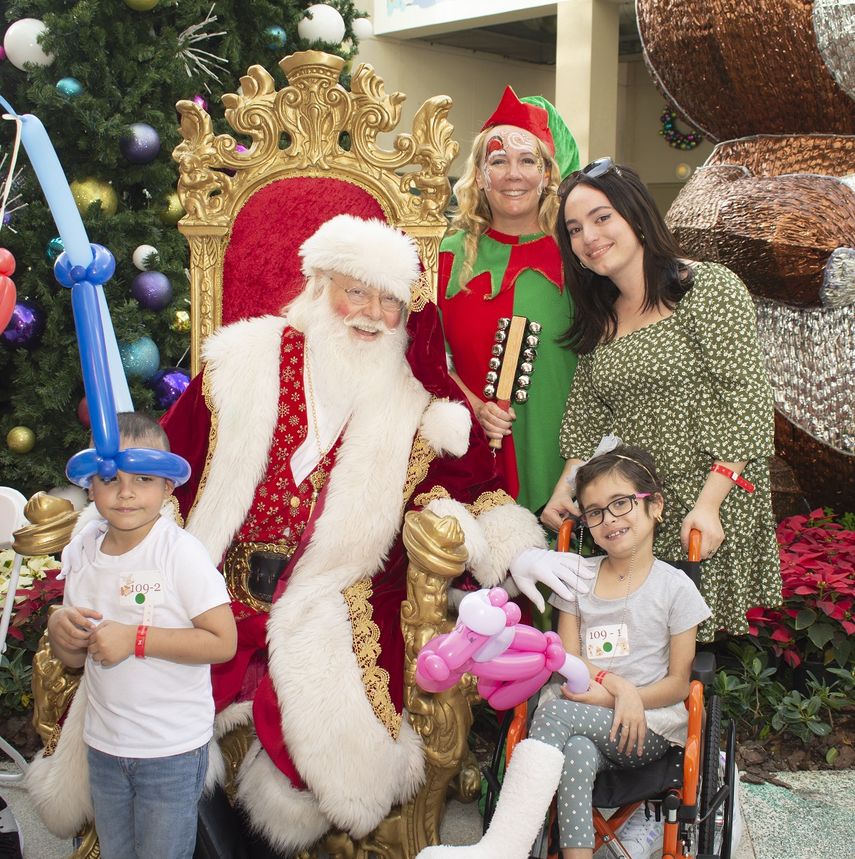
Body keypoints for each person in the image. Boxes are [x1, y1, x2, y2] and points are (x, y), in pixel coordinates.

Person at [155, 214, 593, 854]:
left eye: (389, 300)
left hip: (323, 596)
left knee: (309, 733)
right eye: (355, 290)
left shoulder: (412, 404)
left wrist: (517, 550)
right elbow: (169, 465)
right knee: (158, 711)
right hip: (212, 591)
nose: (370, 312)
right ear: (318, 284)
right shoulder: (238, 366)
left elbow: (464, 488)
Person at [417, 445, 711, 859]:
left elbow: (680, 683)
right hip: (583, 706)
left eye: (621, 503)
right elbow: (568, 659)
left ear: (655, 506)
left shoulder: (676, 588)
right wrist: (618, 686)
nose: (609, 519)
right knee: (575, 751)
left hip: (645, 725)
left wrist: (629, 698)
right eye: (594, 511)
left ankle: (505, 845)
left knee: (551, 711)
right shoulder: (575, 577)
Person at [541, 158, 780, 641]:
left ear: (638, 218)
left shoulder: (706, 288)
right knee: (634, 646)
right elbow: (586, 420)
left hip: (705, 498)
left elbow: (746, 400)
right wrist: (565, 489)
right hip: (633, 511)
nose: (589, 236)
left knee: (691, 654)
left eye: (602, 217)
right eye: (574, 229)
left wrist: (710, 503)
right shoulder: (600, 316)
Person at [43, 412, 237, 859]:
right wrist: (60, 631)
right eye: (110, 479)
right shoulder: (84, 552)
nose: (126, 492)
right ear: (90, 486)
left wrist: (137, 639)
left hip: (169, 751)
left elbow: (221, 642)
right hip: (105, 745)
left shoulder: (180, 554)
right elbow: (76, 659)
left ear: (168, 487)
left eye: (144, 478)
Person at [437, 86, 580, 515]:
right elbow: (422, 355)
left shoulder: (579, 254)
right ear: (480, 175)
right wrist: (472, 404)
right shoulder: (445, 254)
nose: (512, 175)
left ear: (548, 173)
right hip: (472, 453)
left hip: (563, 455)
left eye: (527, 161)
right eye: (498, 161)